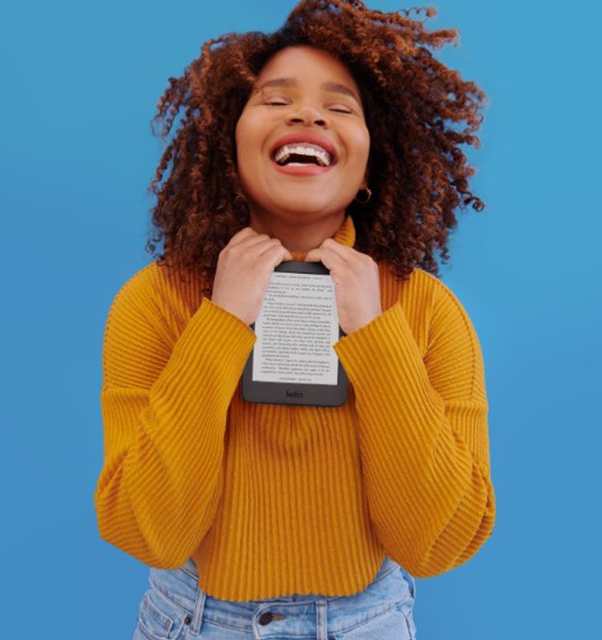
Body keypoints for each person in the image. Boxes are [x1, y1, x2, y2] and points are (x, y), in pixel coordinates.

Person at [94, 0, 496, 637]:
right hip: (191, 621)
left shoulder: (426, 311)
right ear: (228, 142)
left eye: (340, 107)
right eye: (274, 100)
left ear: (371, 162)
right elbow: (151, 533)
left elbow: (435, 546)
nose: (307, 114)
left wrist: (377, 336)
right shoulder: (156, 301)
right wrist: (221, 321)